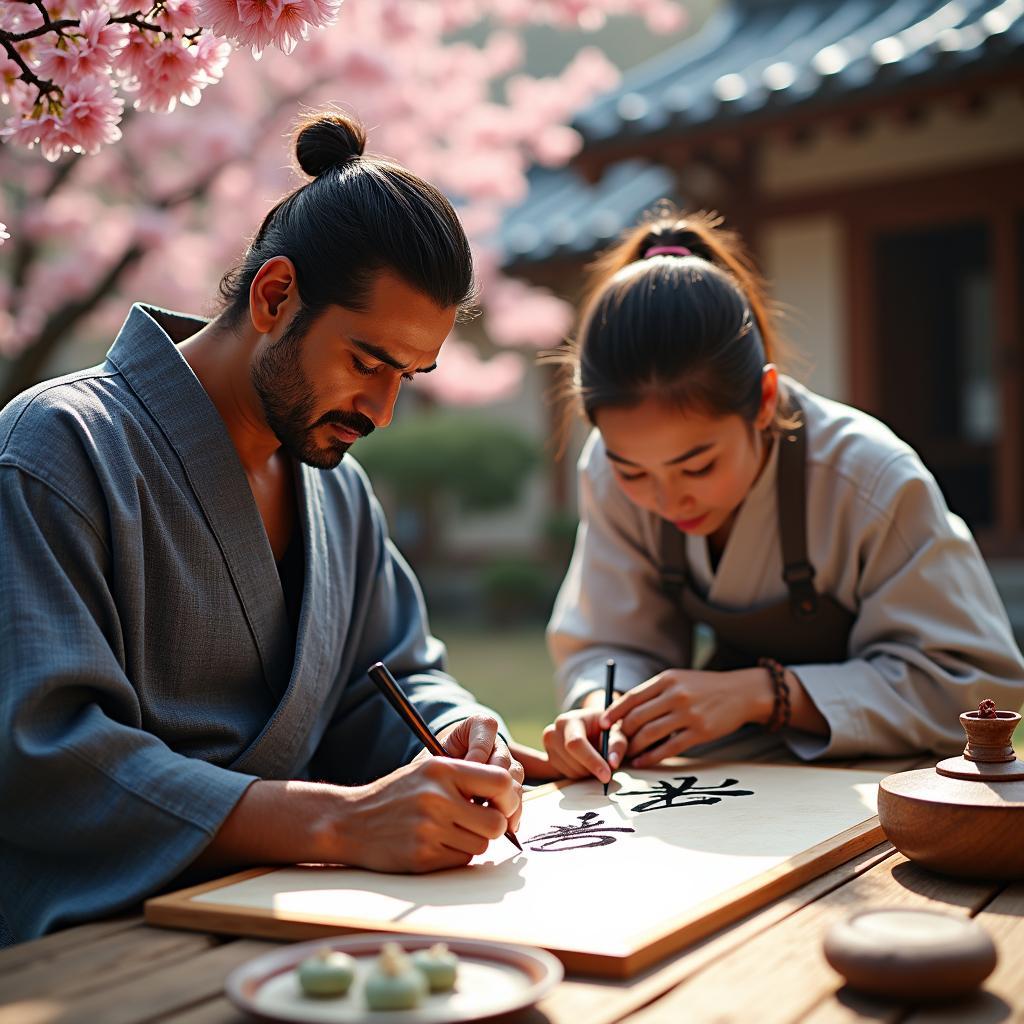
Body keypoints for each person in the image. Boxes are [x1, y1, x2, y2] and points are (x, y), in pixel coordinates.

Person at [0, 112, 523, 946]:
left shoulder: (339, 495)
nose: (384, 411)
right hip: (107, 939)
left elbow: (382, 682)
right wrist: (335, 822)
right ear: (276, 296)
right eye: (367, 363)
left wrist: (458, 728)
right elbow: (44, 750)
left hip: (300, 917)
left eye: (410, 378)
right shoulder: (60, 446)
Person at [540, 209, 1024, 784]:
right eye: (633, 471)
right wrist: (599, 705)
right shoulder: (605, 470)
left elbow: (971, 682)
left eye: (698, 465)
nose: (667, 499)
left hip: (881, 783)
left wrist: (768, 694)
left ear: (765, 398)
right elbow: (611, 641)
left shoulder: (868, 476)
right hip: (734, 776)